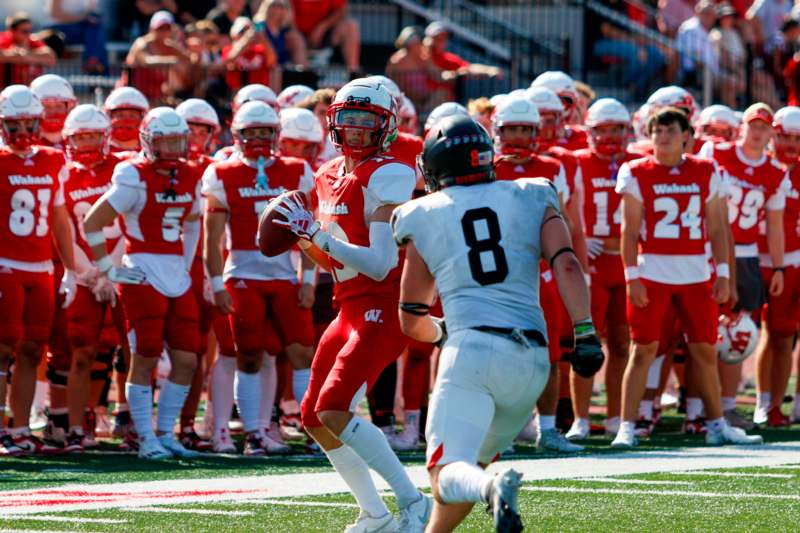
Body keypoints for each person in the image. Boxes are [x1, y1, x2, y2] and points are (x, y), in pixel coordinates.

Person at [393, 113, 601, 532]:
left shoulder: (421, 212)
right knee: (463, 473)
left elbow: (411, 317)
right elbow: (568, 266)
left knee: (446, 471)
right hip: (534, 364)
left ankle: (491, 487)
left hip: (473, 351)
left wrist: (442, 334)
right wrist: (585, 332)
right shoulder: (532, 193)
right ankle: (480, 491)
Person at [270, 78, 430, 531]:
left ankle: (412, 500)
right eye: (349, 119)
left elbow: (380, 264)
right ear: (334, 121)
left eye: (367, 120)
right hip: (348, 305)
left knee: (335, 409)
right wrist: (303, 237)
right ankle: (375, 514)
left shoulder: (389, 172)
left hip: (382, 304)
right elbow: (331, 257)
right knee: (312, 418)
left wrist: (316, 234)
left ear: (385, 126)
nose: (357, 129)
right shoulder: (325, 173)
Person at [611, 107, 762, 448]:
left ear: (686, 137)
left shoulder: (706, 170)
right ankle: (627, 426)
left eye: (669, 131)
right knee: (643, 349)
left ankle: (715, 424)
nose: (662, 138)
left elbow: (719, 229)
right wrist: (632, 276)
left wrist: (724, 273)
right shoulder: (635, 171)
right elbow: (629, 231)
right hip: (653, 272)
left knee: (704, 350)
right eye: (657, 131)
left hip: (696, 273)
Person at [82, 107, 203, 460]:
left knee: (186, 359)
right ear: (149, 142)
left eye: (177, 141)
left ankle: (165, 433)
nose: (172, 149)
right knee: (145, 356)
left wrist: (185, 263)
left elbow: (194, 222)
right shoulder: (132, 174)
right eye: (165, 142)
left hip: (174, 274)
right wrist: (109, 268)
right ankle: (144, 437)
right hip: (142, 271)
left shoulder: (190, 174)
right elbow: (93, 221)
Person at [204, 101, 314, 455]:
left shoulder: (297, 169)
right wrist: (217, 284)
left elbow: (310, 229)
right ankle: (254, 433)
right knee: (248, 355)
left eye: (265, 132)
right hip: (243, 275)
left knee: (301, 353)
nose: (258, 139)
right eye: (251, 133)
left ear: (276, 134)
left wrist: (308, 278)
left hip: (284, 275)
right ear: (237, 135)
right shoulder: (222, 173)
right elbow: (213, 238)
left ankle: (313, 431)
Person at [699, 103, 788, 430]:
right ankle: (696, 406)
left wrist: (777, 267)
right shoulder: (716, 153)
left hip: (747, 254)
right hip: (708, 249)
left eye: (764, 127)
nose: (758, 132)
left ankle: (726, 406)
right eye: (754, 124)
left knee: (737, 331)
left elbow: (775, 226)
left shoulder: (776, 173)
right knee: (699, 328)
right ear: (743, 126)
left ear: (771, 133)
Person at [0, 85, 76, 455]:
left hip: (42, 268)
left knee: (32, 350)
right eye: (13, 124)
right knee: (2, 349)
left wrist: (73, 269)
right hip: (6, 265)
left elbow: (60, 220)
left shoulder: (52, 158)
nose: (21, 131)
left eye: (28, 122)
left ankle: (18, 428)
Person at [566, 98, 638, 441]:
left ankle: (615, 416)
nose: (609, 136)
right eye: (603, 130)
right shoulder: (576, 162)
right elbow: (563, 210)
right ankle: (581, 418)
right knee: (586, 342)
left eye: (616, 129)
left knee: (624, 343)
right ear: (590, 131)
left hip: (624, 262)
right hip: (591, 263)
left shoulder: (638, 162)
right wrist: (580, 239)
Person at [59, 105, 126, 452]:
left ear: (105, 136)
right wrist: (89, 272)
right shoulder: (64, 172)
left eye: (92, 136)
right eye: (80, 137)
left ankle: (128, 418)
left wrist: (111, 268)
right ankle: (76, 424)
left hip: (121, 266)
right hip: (84, 273)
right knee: (81, 352)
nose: (85, 143)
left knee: (128, 350)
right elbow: (65, 231)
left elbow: (131, 222)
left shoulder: (122, 166)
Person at [753, 105, 800, 427]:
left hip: (792, 261)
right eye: (784, 137)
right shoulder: (756, 165)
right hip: (751, 258)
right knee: (743, 333)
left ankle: (773, 406)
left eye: (797, 139)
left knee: (783, 335)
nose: (790, 145)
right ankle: (753, 401)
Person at [124, 10, 191, 103]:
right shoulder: (141, 43)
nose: (163, 31)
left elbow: (188, 60)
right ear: (151, 28)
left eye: (167, 28)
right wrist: (170, 61)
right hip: (133, 94)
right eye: (160, 28)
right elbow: (146, 61)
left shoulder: (170, 46)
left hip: (155, 96)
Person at [289, 0, 360, 75]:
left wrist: (322, 28)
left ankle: (353, 72)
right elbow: (286, 12)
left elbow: (341, 10)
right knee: (294, 37)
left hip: (324, 34)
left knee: (351, 26)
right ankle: (304, 76)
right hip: (297, 33)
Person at [46, 0, 108, 73]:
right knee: (95, 32)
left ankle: (93, 62)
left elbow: (90, 11)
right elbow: (55, 14)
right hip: (57, 29)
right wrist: (82, 18)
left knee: (95, 29)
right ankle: (95, 65)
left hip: (81, 29)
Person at [222, 17, 277, 94]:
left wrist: (262, 37)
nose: (247, 34)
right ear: (234, 34)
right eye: (242, 31)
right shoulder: (228, 49)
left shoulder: (260, 50)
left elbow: (272, 61)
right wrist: (245, 41)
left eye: (249, 31)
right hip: (238, 94)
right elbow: (229, 61)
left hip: (260, 93)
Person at [0, 13, 56, 87]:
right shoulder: (3, 39)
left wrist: (23, 54)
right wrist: (33, 56)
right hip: (5, 90)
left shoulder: (32, 40)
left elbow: (50, 58)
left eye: (30, 31)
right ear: (12, 31)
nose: (28, 34)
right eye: (24, 31)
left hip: (30, 91)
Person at [104, 87, 151, 154]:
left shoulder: (149, 154)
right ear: (109, 117)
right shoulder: (101, 153)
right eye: (120, 115)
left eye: (132, 116)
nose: (126, 120)